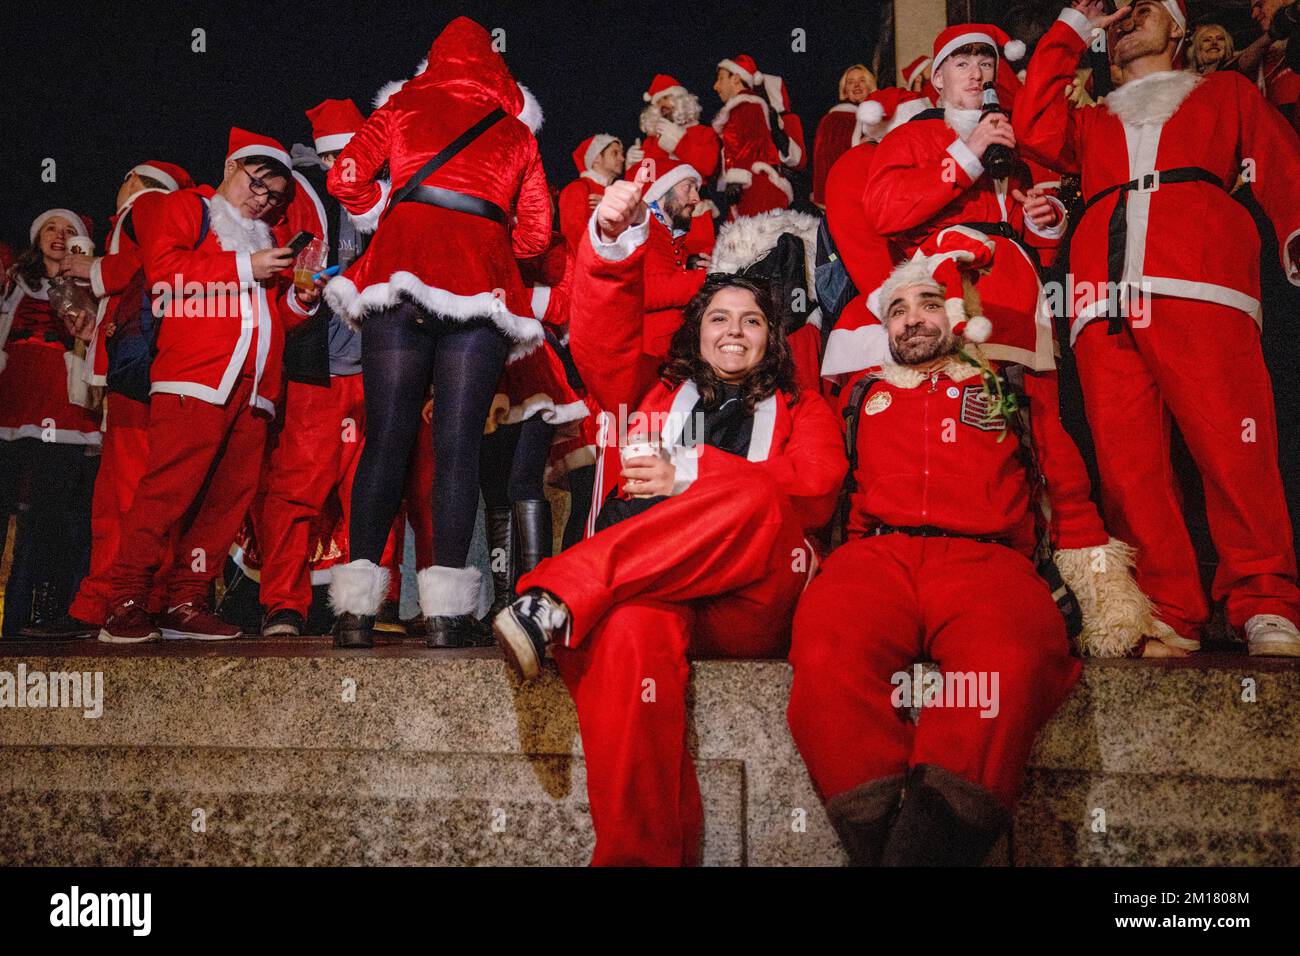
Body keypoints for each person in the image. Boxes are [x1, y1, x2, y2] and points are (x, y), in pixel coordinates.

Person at [491, 168, 846, 866]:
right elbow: (599, 341)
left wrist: (690, 474)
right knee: (625, 630)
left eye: (752, 320)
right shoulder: (653, 393)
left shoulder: (806, 411)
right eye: (719, 317)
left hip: (751, 602)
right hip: (653, 592)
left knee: (756, 497)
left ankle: (557, 592)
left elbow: (815, 490)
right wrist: (610, 242)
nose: (735, 331)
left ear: (773, 338)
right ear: (698, 331)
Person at [788, 246, 1161, 866]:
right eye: (898, 311)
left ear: (953, 316)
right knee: (825, 652)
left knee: (1012, 660)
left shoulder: (1008, 387)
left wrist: (1109, 603)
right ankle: (884, 836)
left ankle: (927, 847)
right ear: (885, 330)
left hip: (987, 561)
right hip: (875, 558)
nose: (912, 319)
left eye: (927, 305)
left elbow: (1066, 493)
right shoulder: (856, 398)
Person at [1015, 1, 1300, 657]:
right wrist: (1070, 27)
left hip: (1200, 277)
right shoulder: (1088, 119)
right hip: (1099, 295)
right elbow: (1032, 125)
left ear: (1179, 29)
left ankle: (1266, 600)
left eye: (1146, 8)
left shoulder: (1224, 91)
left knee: (1234, 447)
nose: (1127, 16)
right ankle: (1170, 607)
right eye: (1117, 13)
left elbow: (1279, 158)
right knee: (1127, 466)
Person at [323, 16, 551, 648]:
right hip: (479, 283)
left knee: (385, 442)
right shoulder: (515, 132)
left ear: (434, 63)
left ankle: (354, 613)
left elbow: (344, 176)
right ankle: (447, 616)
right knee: (456, 448)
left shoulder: (403, 105)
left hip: (400, 269)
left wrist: (389, 212)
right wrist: (480, 226)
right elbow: (534, 236)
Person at [98, 129, 321, 643]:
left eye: (273, 194)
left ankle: (187, 598)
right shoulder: (184, 208)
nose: (261, 197)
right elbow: (165, 273)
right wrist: (249, 266)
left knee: (225, 504)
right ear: (231, 167)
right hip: (194, 377)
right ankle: (124, 599)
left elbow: (269, 321)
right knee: (165, 494)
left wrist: (302, 301)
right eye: (256, 181)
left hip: (255, 387)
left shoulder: (262, 240)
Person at [58, 162, 195, 637]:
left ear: (134, 181)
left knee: (124, 493)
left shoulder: (146, 206)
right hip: (148, 374)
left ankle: (114, 600)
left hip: (138, 382)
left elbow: (148, 264)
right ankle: (138, 597)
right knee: (138, 490)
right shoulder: (157, 212)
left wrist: (89, 268)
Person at [250, 98, 370, 637]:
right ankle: (284, 605)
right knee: (295, 490)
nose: (346, 164)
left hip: (376, 370)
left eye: (355, 152)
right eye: (337, 155)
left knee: (369, 492)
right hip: (313, 370)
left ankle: (363, 608)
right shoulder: (293, 197)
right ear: (320, 159)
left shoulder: (383, 194)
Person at [0, 210, 102, 635]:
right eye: (50, 228)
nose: (59, 236)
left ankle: (28, 619)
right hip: (9, 412)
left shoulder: (89, 285)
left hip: (65, 417)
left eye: (68, 231)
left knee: (48, 519)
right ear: (37, 236)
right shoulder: (13, 283)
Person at [629, 73, 720, 256]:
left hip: (695, 213)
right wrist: (632, 168)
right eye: (658, 101)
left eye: (667, 98)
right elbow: (642, 185)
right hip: (660, 221)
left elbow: (707, 166)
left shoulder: (703, 133)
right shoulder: (651, 143)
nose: (662, 105)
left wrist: (679, 143)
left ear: (681, 100)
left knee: (701, 264)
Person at [634, 158, 709, 357]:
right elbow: (642, 290)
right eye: (688, 188)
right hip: (648, 360)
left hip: (678, 354)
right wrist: (708, 277)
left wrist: (688, 266)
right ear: (661, 192)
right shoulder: (636, 232)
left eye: (696, 190)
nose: (696, 198)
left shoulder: (674, 238)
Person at [712, 54, 793, 219]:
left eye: (721, 78)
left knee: (754, 239)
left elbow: (751, 144)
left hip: (756, 188)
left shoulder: (748, 105)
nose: (716, 86)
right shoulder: (748, 106)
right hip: (752, 185)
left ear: (735, 78)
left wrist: (736, 178)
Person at [812, 64, 877, 210]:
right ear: (844, 89)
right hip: (846, 191)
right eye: (851, 82)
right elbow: (824, 160)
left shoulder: (882, 115)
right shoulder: (836, 119)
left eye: (861, 80)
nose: (856, 85)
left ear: (870, 85)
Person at [1237, 0, 1300, 132]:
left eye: (1260, 5)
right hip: (1279, 127)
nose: (1254, 15)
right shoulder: (1266, 47)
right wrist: (1273, 34)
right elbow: (1242, 64)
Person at [557, 135, 623, 252]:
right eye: (615, 153)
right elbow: (575, 237)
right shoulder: (577, 188)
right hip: (593, 266)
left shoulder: (616, 193)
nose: (622, 158)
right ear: (597, 157)